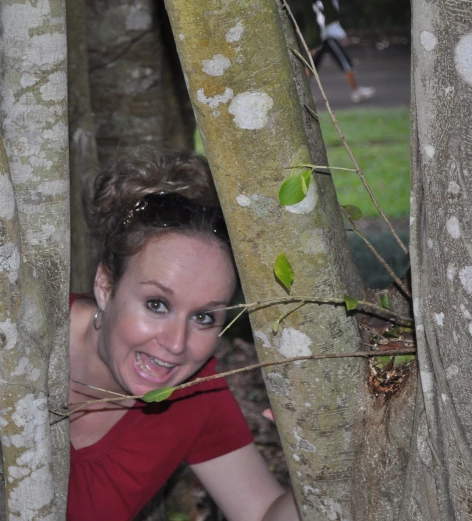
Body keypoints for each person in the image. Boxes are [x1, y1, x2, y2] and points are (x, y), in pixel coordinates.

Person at [67, 152, 299, 521]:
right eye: (157, 304)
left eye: (204, 317)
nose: (176, 344)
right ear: (105, 286)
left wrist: (318, 460)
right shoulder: (14, 342)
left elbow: (263, 513)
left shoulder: (195, 393)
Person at [310, 0, 375, 103]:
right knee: (345, 63)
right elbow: (322, 19)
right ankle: (356, 91)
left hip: (326, 36)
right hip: (328, 37)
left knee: (312, 65)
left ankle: (302, 93)